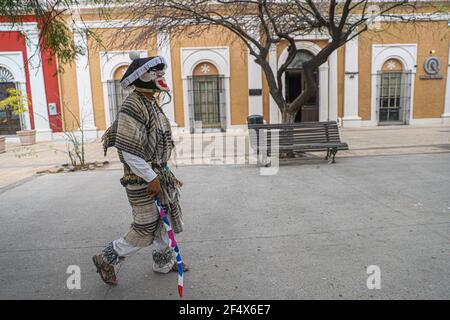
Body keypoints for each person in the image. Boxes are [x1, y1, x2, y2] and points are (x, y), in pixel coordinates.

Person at [92, 55, 188, 285]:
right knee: (145, 225)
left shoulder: (150, 102)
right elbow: (129, 151)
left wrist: (158, 175)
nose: (162, 77)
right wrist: (151, 178)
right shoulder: (132, 105)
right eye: (158, 73)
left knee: (162, 219)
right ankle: (106, 258)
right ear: (145, 77)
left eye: (162, 73)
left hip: (159, 174)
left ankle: (163, 262)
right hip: (143, 177)